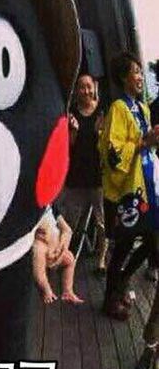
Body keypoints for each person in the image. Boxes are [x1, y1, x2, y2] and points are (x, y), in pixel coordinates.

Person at [98, 52, 159, 320]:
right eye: (135, 71)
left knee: (152, 241)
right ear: (124, 77)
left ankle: (121, 283)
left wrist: (151, 141)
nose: (140, 77)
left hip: (145, 187)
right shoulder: (118, 108)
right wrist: (144, 142)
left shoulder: (143, 108)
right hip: (126, 191)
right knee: (124, 246)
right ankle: (110, 299)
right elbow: (111, 151)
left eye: (140, 71)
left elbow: (146, 146)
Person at [60, 73, 107, 273]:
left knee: (102, 222)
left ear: (94, 88)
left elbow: (108, 146)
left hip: (98, 177)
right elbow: (67, 147)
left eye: (89, 86)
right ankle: (64, 256)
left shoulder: (103, 112)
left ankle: (101, 259)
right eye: (82, 87)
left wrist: (100, 133)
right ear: (76, 90)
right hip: (76, 176)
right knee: (70, 221)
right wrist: (74, 131)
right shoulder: (70, 113)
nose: (86, 91)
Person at [32, 207, 84, 305]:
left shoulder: (50, 207)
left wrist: (61, 249)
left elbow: (67, 231)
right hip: (41, 243)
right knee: (39, 269)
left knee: (70, 260)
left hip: (56, 246)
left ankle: (67, 290)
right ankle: (46, 289)